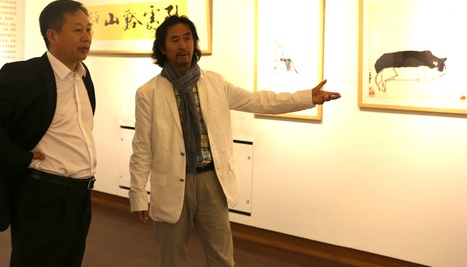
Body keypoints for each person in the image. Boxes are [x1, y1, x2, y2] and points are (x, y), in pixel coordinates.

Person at [128, 15, 341, 267]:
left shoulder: (215, 83)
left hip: (212, 182)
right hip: (172, 184)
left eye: (187, 38)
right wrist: (138, 193)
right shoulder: (148, 93)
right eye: (175, 40)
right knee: (172, 260)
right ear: (163, 48)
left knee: (222, 259)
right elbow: (142, 148)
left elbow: (259, 100)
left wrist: (306, 98)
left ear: (194, 43)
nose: (183, 45)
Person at [0, 0, 97, 267]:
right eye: (77, 30)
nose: (86, 37)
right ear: (52, 36)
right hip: (43, 195)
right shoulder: (24, 75)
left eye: (89, 29)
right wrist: (17, 158)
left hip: (81, 195)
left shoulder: (83, 75)